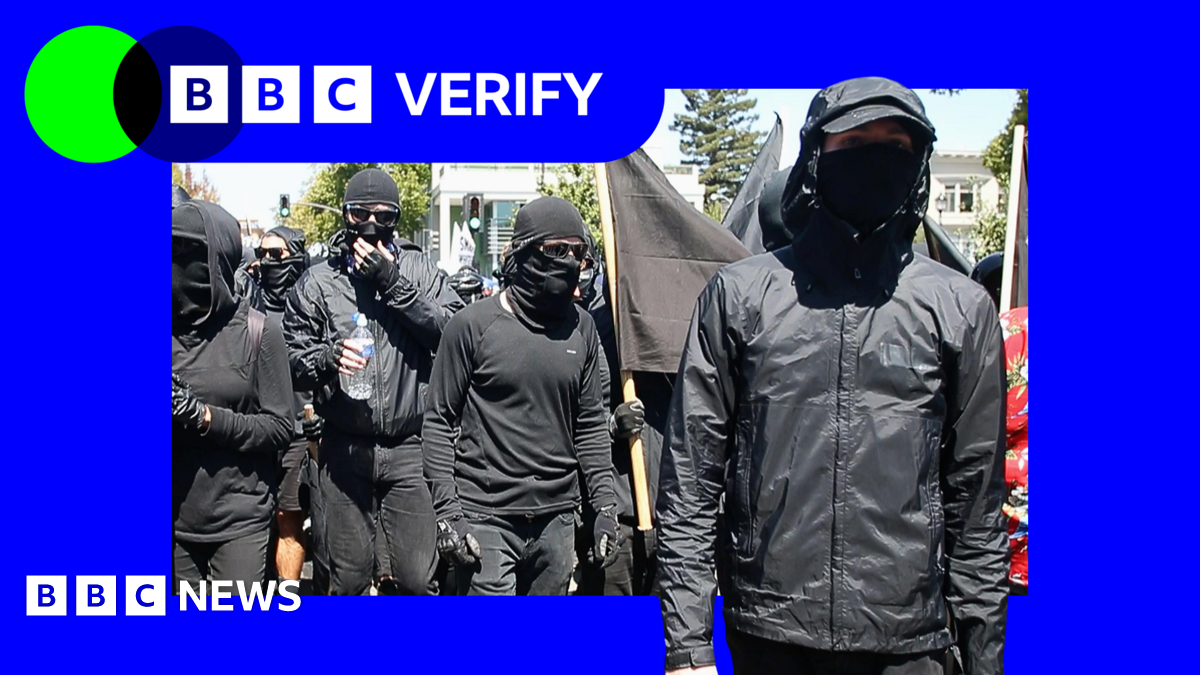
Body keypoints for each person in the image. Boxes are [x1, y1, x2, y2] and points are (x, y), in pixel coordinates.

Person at [657, 77, 1008, 675]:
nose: (876, 157)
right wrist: (688, 648)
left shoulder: (959, 307)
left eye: (895, 145)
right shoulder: (741, 297)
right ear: (816, 159)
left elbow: (977, 507)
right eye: (856, 142)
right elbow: (690, 482)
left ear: (918, 163)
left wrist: (983, 658)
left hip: (909, 644)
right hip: (769, 635)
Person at [422, 196, 620, 595]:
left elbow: (590, 426)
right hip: (486, 522)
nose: (568, 260)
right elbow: (438, 422)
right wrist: (448, 513)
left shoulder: (582, 329)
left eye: (577, 251)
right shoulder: (471, 326)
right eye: (555, 250)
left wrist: (605, 508)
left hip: (557, 526)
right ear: (525, 254)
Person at [283, 168, 464, 595]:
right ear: (344, 216)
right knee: (347, 580)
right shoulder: (320, 280)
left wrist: (392, 282)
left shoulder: (418, 268)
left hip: (410, 445)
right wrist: (328, 357)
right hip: (345, 445)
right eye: (358, 214)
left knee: (418, 580)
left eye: (382, 216)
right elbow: (292, 357)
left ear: (396, 219)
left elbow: (454, 329)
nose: (370, 226)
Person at [172, 200, 294, 592]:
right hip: (173, 521)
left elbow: (278, 428)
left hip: (238, 520)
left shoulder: (259, 332)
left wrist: (205, 417)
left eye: (187, 254)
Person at [575, 239, 668, 597]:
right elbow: (569, 419)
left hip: (670, 513)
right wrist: (610, 426)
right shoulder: (592, 330)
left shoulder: (685, 327)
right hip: (617, 510)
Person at [251, 226, 323, 585]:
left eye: (276, 254)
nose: (266, 261)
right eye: (260, 253)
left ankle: (288, 595)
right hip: (255, 431)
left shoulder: (312, 307)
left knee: (287, 518)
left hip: (298, 432)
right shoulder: (247, 304)